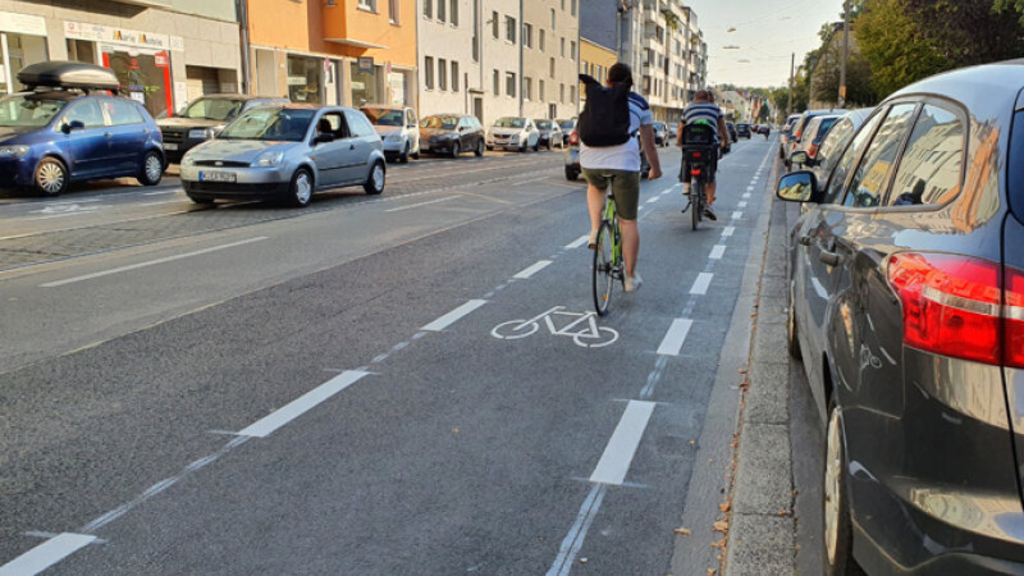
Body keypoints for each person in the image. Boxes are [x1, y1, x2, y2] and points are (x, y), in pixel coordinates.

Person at [580, 63, 661, 293]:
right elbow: (649, 145)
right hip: (624, 163)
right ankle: (630, 277)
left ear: (607, 81)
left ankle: (595, 229)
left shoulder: (595, 98)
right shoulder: (640, 104)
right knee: (628, 222)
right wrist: (655, 169)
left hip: (590, 160)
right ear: (630, 83)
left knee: (595, 187)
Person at [677, 90, 729, 220]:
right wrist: (725, 141)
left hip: (691, 145)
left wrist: (679, 142)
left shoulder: (688, 109)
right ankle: (709, 204)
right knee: (711, 175)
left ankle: (687, 183)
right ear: (707, 98)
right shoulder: (715, 109)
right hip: (709, 147)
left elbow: (680, 129)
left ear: (695, 98)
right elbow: (723, 128)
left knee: (686, 159)